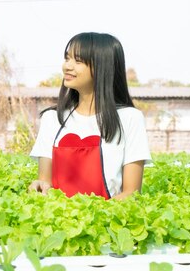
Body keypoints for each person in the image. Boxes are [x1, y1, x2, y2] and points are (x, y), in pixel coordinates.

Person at [28, 32, 151, 200]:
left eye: (78, 61)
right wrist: (39, 185)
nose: (67, 66)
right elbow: (45, 181)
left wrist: (95, 216)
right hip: (59, 221)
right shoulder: (52, 118)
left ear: (102, 67)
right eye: (67, 58)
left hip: (106, 221)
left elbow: (131, 193)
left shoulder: (129, 118)